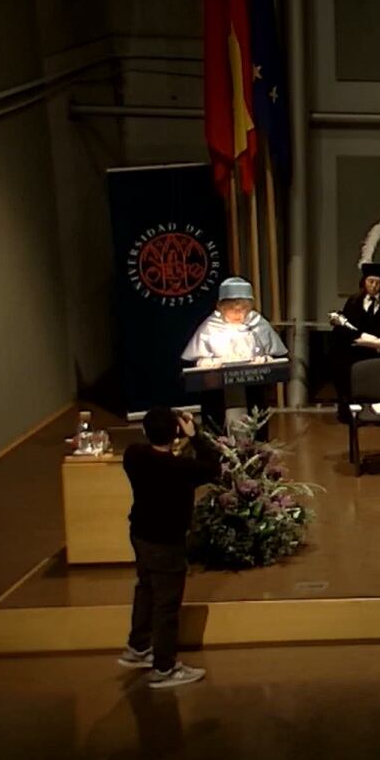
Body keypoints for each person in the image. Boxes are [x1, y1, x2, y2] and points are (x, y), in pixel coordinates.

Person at [118, 407, 219, 689]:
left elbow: (146, 445)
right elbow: (213, 466)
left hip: (140, 535)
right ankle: (164, 667)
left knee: (146, 588)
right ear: (176, 433)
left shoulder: (133, 456)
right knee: (167, 605)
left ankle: (138, 647)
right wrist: (195, 435)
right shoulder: (181, 469)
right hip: (167, 542)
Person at [182, 276, 289, 422]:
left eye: (243, 308)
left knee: (255, 412)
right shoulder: (210, 327)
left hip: (252, 388)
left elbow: (274, 356)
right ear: (221, 307)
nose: (238, 313)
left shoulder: (258, 325)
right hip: (218, 391)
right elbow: (199, 360)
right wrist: (207, 362)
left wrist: (264, 359)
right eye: (232, 309)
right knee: (216, 415)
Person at [331, 235, 380, 423]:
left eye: (378, 283)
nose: (374, 286)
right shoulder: (354, 301)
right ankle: (350, 409)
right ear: (364, 282)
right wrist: (364, 340)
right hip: (357, 348)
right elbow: (347, 330)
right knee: (341, 364)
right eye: (370, 282)